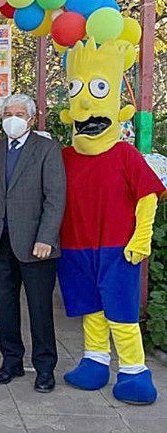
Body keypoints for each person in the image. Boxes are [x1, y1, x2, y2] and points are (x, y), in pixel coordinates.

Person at [59, 39, 164, 405]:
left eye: (96, 90)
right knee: (90, 307)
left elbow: (148, 196)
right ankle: (96, 360)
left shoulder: (124, 153)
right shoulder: (66, 156)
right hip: (75, 245)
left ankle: (134, 370)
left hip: (117, 245)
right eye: (77, 92)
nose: (85, 103)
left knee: (120, 310)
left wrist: (141, 238)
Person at [0, 94, 66, 393]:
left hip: (36, 245)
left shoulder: (47, 150)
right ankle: (11, 362)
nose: (11, 118)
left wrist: (46, 237)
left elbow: (55, 198)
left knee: (40, 309)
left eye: (17, 113)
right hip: (2, 244)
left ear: (30, 117)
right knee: (6, 307)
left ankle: (44, 368)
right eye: (7, 114)